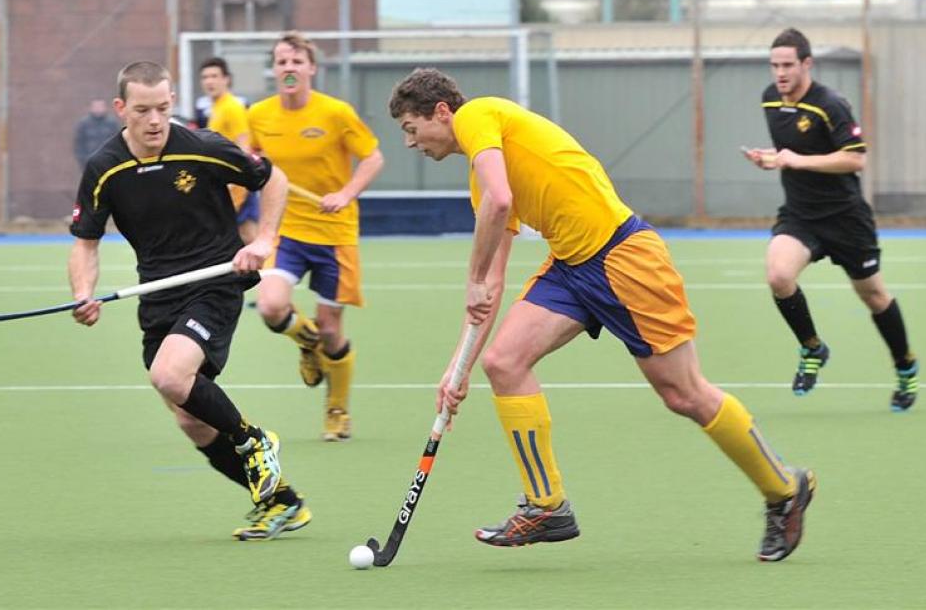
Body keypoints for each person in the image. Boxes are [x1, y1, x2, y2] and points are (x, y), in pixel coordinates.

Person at [388, 67, 816, 562]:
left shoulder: (478, 115)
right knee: (503, 362)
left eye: (410, 128)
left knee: (685, 395)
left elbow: (500, 208)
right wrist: (455, 369)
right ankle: (547, 506)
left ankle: (784, 488)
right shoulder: (482, 179)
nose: (410, 142)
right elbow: (492, 282)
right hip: (571, 267)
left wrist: (472, 275)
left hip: (624, 258)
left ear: (441, 111)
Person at [68, 61, 310, 541]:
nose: (155, 120)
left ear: (172, 102)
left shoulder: (200, 146)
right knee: (188, 416)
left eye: (163, 107)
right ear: (122, 109)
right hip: (158, 294)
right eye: (142, 110)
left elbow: (273, 178)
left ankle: (253, 439)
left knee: (168, 374)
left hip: (216, 282)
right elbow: (85, 243)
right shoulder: (105, 167)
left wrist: (264, 241)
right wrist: (83, 294)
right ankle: (282, 502)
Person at [742, 28, 918, 410]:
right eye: (774, 65)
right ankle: (812, 348)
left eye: (788, 65)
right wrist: (770, 159)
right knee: (779, 276)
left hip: (845, 218)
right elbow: (791, 150)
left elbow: (856, 158)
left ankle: (905, 367)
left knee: (873, 295)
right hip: (801, 216)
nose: (780, 73)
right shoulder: (770, 100)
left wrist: (795, 159)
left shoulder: (831, 104)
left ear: (807, 64)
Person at [248, 32, 385, 441]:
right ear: (274, 70)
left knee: (331, 330)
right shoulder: (259, 115)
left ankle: (337, 409)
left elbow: (373, 157)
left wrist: (345, 193)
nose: (288, 67)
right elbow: (249, 161)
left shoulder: (336, 113)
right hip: (286, 230)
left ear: (311, 68)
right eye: (281, 61)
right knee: (271, 306)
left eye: (296, 61)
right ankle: (306, 343)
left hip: (334, 234)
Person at [199, 56, 260, 244]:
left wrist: (235, 183)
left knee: (249, 236)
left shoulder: (232, 107)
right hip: (223, 184)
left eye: (214, 76)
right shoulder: (217, 108)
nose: (209, 81)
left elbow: (244, 145)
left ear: (226, 79)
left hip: (237, 184)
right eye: (205, 77)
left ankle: (267, 273)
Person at [73, 99, 119, 170]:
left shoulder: (112, 123)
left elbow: (117, 141)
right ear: (91, 108)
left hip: (108, 161)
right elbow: (79, 143)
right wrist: (82, 159)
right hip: (89, 160)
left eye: (100, 106)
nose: (98, 109)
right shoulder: (84, 124)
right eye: (96, 106)